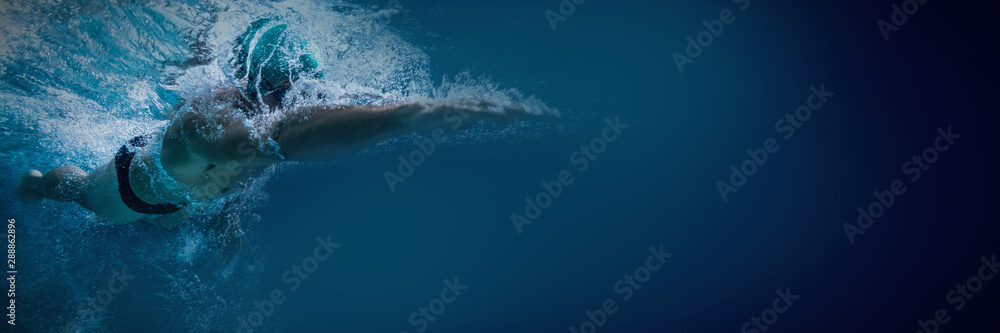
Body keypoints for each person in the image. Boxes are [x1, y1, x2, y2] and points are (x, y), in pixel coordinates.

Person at [13, 19, 552, 261]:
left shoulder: (262, 107)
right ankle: (39, 185)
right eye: (289, 90)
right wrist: (402, 117)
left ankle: (196, 46)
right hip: (129, 192)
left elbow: (255, 160)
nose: (300, 100)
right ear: (262, 86)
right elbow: (274, 145)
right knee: (79, 191)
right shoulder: (219, 119)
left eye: (305, 89)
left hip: (185, 188)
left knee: (191, 194)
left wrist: (225, 218)